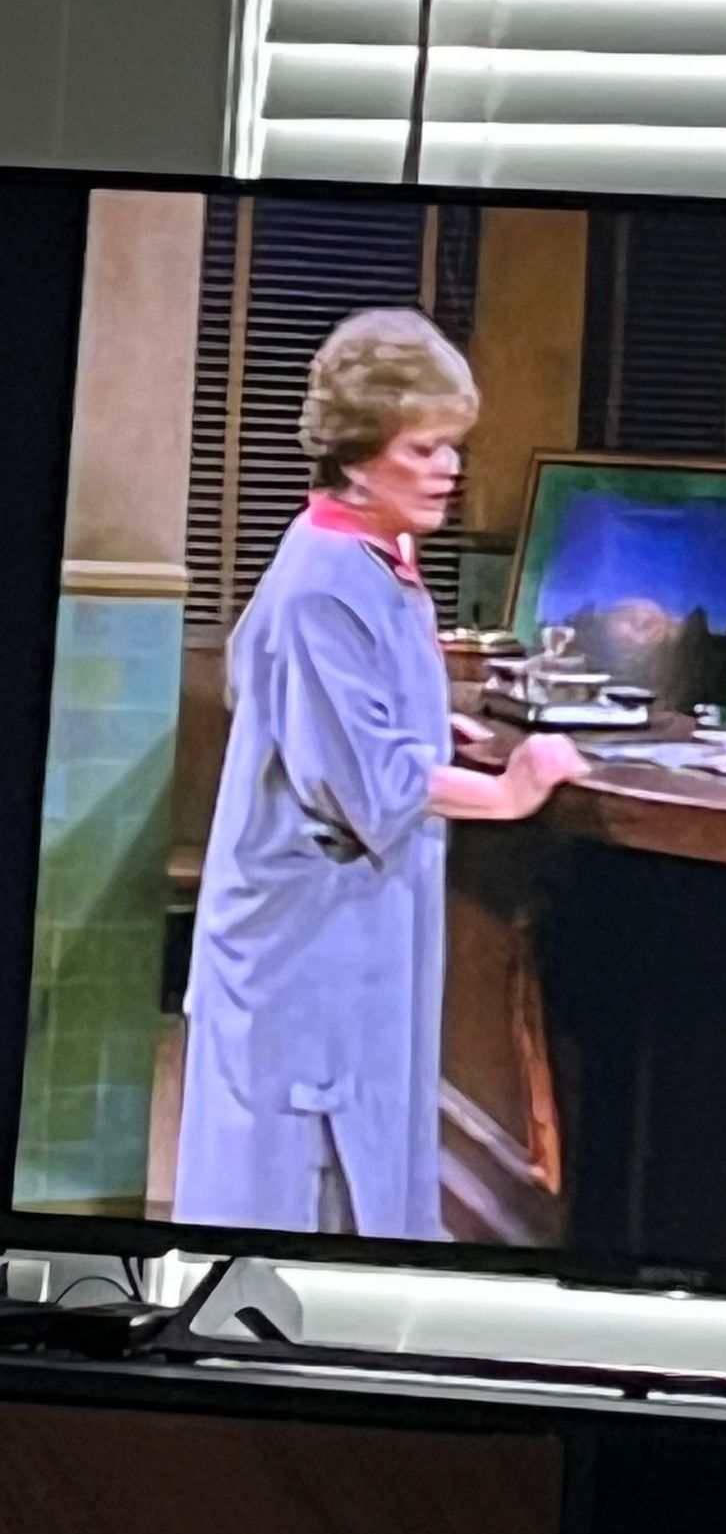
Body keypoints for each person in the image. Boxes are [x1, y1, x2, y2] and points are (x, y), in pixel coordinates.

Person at [174, 308, 587, 1240]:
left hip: (354, 932)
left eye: (451, 447)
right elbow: (370, 781)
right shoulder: (324, 575)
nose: (448, 468)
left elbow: (329, 706)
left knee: (366, 1159)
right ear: (359, 458)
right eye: (425, 448)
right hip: (304, 946)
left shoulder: (374, 558)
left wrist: (423, 719)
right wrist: (509, 790)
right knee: (295, 1189)